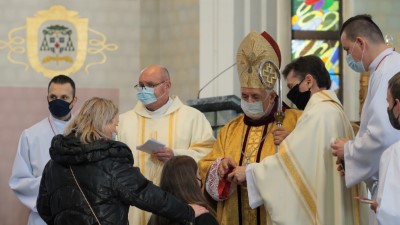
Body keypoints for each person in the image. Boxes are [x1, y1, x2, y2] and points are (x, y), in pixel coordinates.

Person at [237, 55, 368, 225]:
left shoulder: (318, 114)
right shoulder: (333, 110)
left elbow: (290, 165)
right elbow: (313, 160)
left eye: (292, 87)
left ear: (308, 81)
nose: (291, 95)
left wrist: (250, 173)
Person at [37, 97, 207, 225]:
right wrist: (188, 211)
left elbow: (44, 208)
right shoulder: (110, 161)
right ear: (103, 123)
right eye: (115, 124)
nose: (116, 130)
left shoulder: (53, 165)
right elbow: (146, 194)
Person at [198, 31, 301, 225]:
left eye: (255, 97)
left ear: (272, 97)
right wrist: (219, 169)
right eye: (245, 96)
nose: (249, 101)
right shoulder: (230, 129)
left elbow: (308, 167)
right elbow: (205, 165)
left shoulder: (294, 122)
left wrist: (292, 142)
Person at [118, 64, 216, 225]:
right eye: (141, 85)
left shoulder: (192, 117)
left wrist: (175, 155)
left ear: (167, 85)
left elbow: (209, 155)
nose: (144, 90)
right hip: (135, 208)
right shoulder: (124, 121)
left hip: (178, 204)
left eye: (150, 85)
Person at [330, 14, 400, 222]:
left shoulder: (389, 69)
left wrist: (349, 150)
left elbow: (384, 134)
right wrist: (352, 159)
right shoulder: (383, 67)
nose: (347, 56)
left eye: (346, 49)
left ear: (360, 42)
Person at [9, 75, 77, 225]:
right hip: (43, 218)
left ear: (74, 100)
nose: (58, 101)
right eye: (53, 96)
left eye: (64, 97)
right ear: (47, 99)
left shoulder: (85, 133)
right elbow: (19, 181)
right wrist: (52, 186)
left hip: (79, 215)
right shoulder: (31, 135)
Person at [148, 155, 219, 225]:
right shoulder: (203, 217)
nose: (202, 178)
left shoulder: (156, 217)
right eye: (199, 174)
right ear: (192, 182)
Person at [370, 72, 400, 225]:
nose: (388, 108)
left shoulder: (394, 153)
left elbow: (392, 214)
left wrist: (379, 208)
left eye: (389, 103)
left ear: (398, 105)